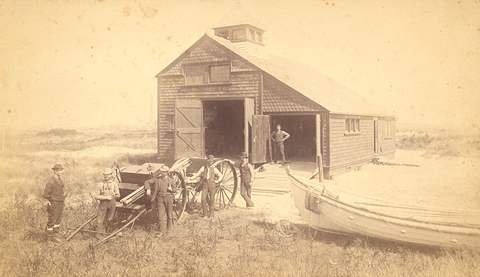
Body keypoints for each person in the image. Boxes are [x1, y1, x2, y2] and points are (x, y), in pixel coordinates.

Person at [145, 165, 176, 236]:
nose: (162, 173)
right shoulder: (157, 179)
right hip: (160, 198)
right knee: (161, 215)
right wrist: (148, 189)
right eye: (162, 171)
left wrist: (172, 189)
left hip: (169, 198)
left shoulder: (171, 180)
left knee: (169, 215)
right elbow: (147, 182)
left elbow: (175, 189)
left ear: (167, 172)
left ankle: (169, 230)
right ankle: (162, 231)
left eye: (164, 172)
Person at [43, 163, 67, 242]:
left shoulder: (60, 181)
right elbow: (45, 194)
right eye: (60, 170)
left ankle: (55, 237)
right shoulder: (51, 181)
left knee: (58, 220)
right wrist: (52, 200)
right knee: (52, 221)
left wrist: (63, 196)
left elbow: (61, 191)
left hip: (60, 203)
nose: (62, 172)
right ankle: (48, 239)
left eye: (62, 170)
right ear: (56, 171)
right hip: (54, 204)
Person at [94, 167, 120, 233]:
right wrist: (105, 197)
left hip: (112, 204)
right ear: (103, 175)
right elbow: (96, 196)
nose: (107, 176)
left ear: (111, 175)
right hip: (103, 204)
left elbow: (118, 195)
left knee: (110, 219)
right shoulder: (100, 184)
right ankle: (98, 234)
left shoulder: (114, 184)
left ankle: (108, 233)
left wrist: (113, 195)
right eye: (105, 174)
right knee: (99, 220)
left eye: (108, 174)